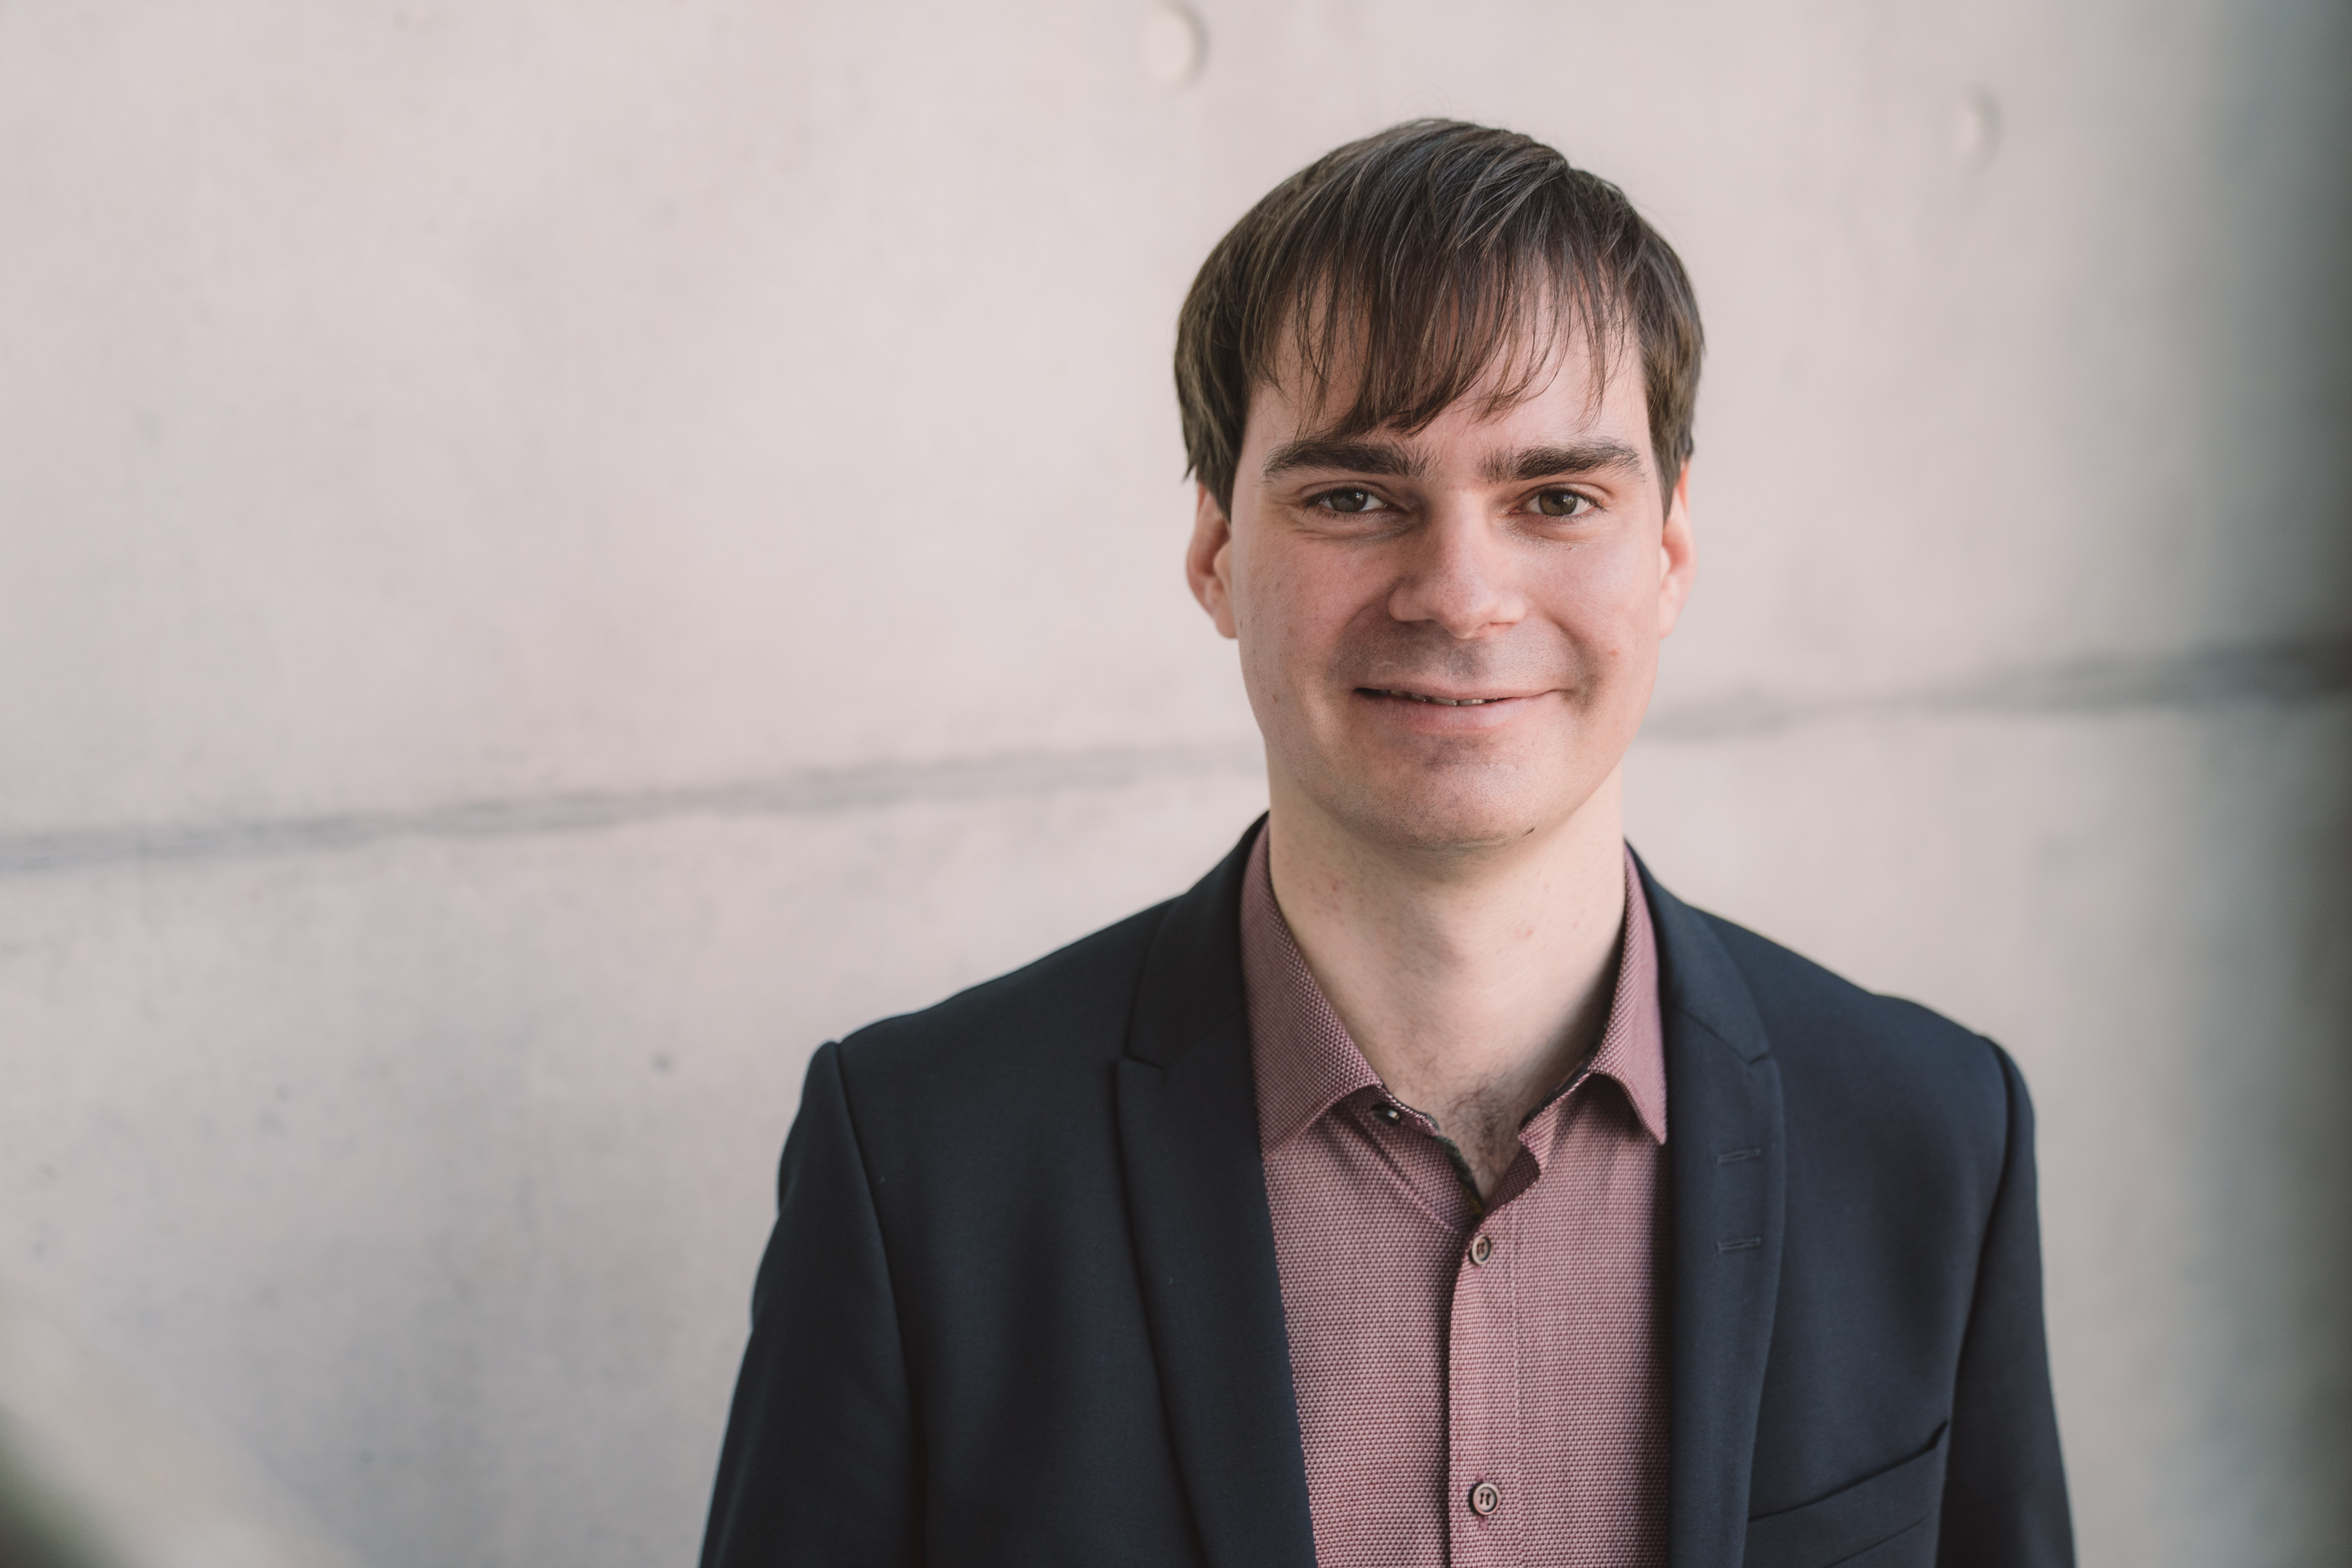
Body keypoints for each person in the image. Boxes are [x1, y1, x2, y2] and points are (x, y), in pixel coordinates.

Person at [700, 119, 2073, 1568]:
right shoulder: (922, 1159)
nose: (1462, 596)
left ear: (1668, 552)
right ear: (1218, 554)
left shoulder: (1935, 1136)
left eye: (1556, 498)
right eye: (1355, 497)